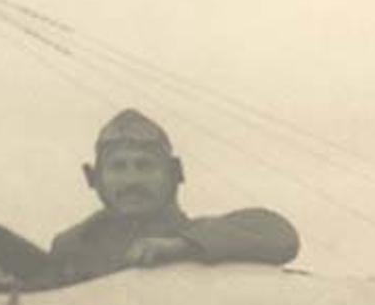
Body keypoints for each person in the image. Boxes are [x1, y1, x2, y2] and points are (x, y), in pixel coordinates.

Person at [45, 109, 301, 284]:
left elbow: (278, 232)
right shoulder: (72, 248)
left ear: (174, 174)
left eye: (145, 166)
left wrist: (180, 247)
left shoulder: (199, 236)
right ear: (94, 178)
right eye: (118, 167)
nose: (132, 180)